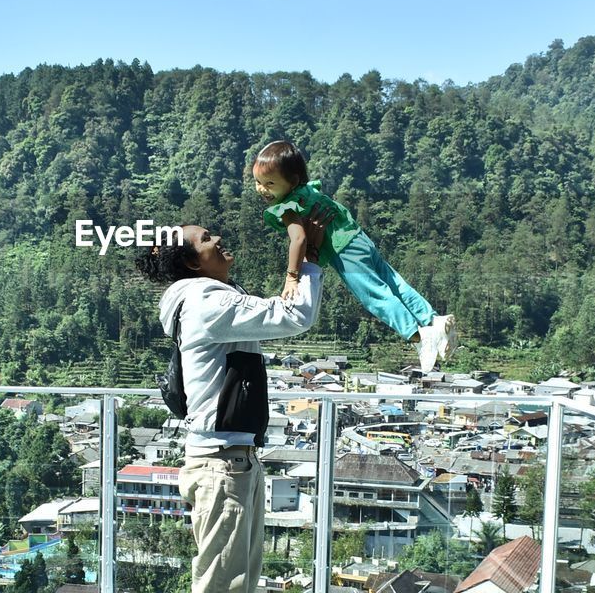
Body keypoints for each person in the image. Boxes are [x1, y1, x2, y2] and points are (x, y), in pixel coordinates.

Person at [136, 205, 332, 593]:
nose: (218, 239)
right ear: (192, 263)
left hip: (231, 461)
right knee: (222, 584)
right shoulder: (206, 303)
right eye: (206, 239)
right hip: (221, 465)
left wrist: (306, 255)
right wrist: (300, 256)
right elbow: (294, 314)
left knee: (237, 581)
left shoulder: (209, 298)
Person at [251, 139, 455, 370]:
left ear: (292, 181)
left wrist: (292, 276)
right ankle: (433, 319)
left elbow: (299, 239)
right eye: (258, 181)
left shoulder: (287, 206)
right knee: (393, 282)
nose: (261, 189)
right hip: (358, 237)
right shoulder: (305, 191)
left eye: (269, 183)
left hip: (343, 250)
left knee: (375, 296)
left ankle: (418, 337)